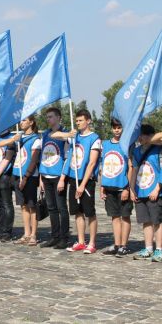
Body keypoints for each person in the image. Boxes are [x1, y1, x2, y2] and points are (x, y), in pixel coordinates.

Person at [53, 109, 101, 254]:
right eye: (77, 120)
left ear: (88, 121)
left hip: (86, 181)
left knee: (89, 212)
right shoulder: (75, 137)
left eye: (81, 120)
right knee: (77, 212)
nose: (78, 123)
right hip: (73, 179)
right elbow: (53, 134)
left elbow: (92, 164)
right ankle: (81, 241)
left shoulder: (95, 138)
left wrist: (82, 185)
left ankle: (92, 243)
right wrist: (67, 134)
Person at [0, 116, 41, 246]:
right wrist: (13, 139)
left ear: (31, 122)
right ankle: (26, 233)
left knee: (32, 206)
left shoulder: (36, 139)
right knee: (23, 206)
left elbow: (33, 161)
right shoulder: (19, 137)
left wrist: (26, 177)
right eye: (21, 120)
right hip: (17, 174)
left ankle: (33, 234)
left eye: (24, 120)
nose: (21, 123)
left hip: (30, 176)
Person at [100, 118, 133, 257]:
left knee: (125, 216)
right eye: (114, 127)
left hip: (123, 187)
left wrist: (127, 188)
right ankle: (117, 244)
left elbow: (131, 167)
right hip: (109, 187)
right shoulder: (106, 144)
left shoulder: (127, 145)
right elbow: (104, 166)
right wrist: (102, 186)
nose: (117, 130)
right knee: (114, 216)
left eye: (119, 127)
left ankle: (124, 246)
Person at [38, 107, 70, 249]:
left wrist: (63, 179)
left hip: (58, 176)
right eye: (47, 117)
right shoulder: (45, 134)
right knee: (51, 208)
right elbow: (42, 156)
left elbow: (68, 157)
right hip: (46, 175)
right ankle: (54, 236)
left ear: (58, 117)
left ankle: (64, 237)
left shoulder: (65, 135)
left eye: (51, 116)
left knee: (61, 207)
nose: (48, 119)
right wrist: (41, 177)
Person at [130, 124, 162, 262]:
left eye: (143, 134)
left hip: (155, 191)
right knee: (146, 221)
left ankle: (159, 249)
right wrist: (131, 189)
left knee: (157, 222)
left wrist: (157, 189)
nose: (140, 137)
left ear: (150, 135)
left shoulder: (158, 149)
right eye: (139, 134)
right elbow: (135, 170)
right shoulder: (137, 151)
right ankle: (148, 248)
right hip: (140, 191)